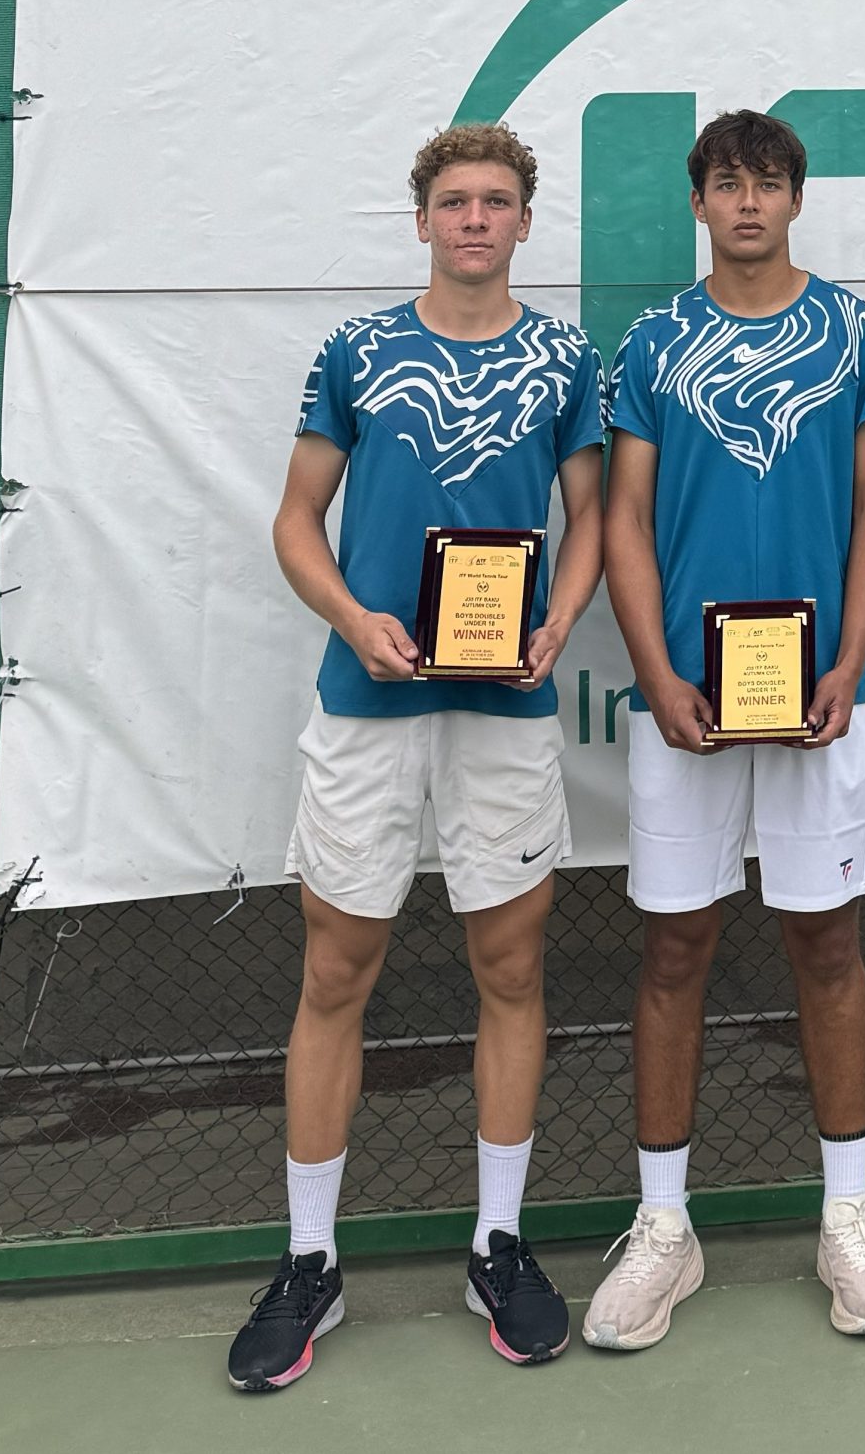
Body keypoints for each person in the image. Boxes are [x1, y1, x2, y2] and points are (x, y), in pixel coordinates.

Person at [226, 122, 604, 1391]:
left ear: (525, 220)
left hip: (504, 707)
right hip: (366, 701)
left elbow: (592, 518)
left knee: (511, 964)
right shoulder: (359, 350)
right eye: (454, 201)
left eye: (496, 200)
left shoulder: (565, 359)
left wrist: (558, 621)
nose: (475, 219)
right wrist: (352, 617)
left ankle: (497, 1241)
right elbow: (296, 518)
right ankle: (311, 1260)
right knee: (337, 969)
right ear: (424, 220)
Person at [585, 108, 865, 1350]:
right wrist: (657, 672)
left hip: (820, 696)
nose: (748, 202)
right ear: (698, 202)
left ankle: (847, 1213)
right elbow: (623, 518)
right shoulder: (655, 340)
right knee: (676, 945)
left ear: (796, 199)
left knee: (826, 940)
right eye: (726, 183)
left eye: (768, 182)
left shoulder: (854, 331)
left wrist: (849, 659)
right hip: (686, 700)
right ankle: (665, 1226)